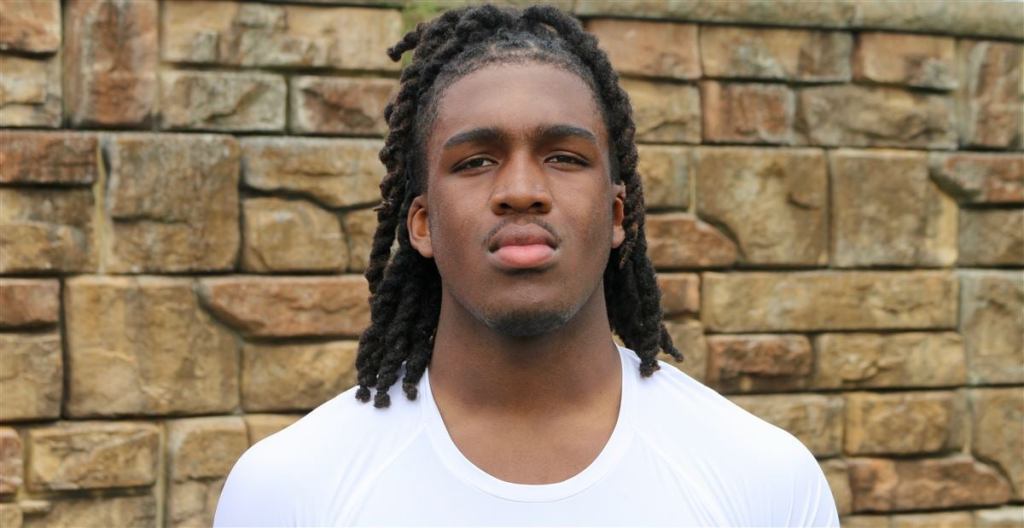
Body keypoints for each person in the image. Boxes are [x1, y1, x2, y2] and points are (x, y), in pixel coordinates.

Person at [214, 5, 839, 526]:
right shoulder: (291, 489)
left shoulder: (762, 479)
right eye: (475, 161)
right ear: (423, 224)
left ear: (616, 215)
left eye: (564, 157)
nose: (520, 190)